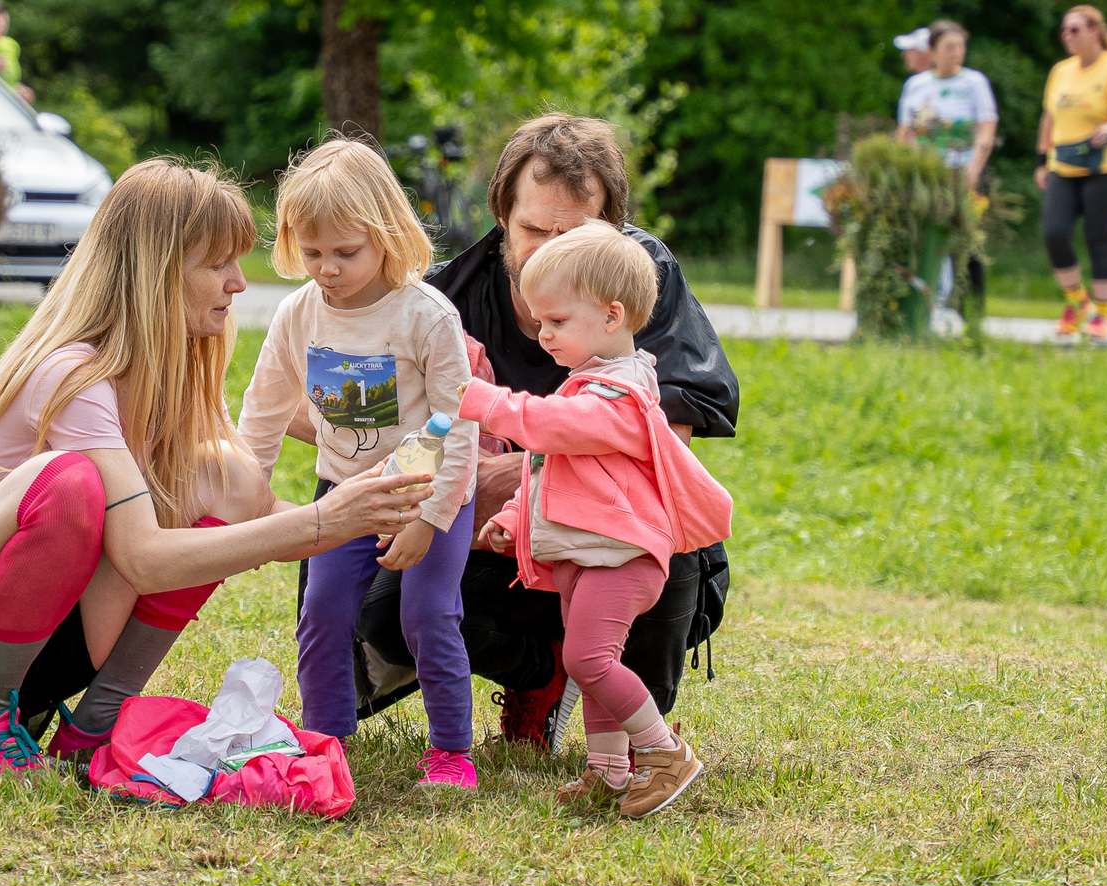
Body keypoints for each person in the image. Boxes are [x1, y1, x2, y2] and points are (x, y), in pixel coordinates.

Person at [0, 158, 434, 775]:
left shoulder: (173, 371)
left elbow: (261, 512)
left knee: (233, 479)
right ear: (158, 274)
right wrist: (323, 521)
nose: (239, 284)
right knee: (69, 484)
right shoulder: (72, 374)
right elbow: (140, 558)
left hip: (35, 653)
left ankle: (94, 726)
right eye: (217, 264)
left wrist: (372, 518)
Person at [291, 114, 739, 753]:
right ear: (501, 215)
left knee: (665, 541)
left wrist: (529, 471)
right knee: (384, 606)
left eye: (576, 231)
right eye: (533, 229)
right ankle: (542, 673)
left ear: (613, 229)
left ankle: (636, 727)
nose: (551, 245)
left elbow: (675, 431)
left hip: (614, 529)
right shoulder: (444, 297)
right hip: (481, 536)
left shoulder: (643, 276)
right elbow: (365, 435)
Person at [459, 221, 733, 818]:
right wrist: (513, 514)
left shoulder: (623, 394)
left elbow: (552, 429)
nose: (543, 334)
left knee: (588, 659)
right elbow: (549, 468)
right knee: (593, 662)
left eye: (557, 321)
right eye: (539, 321)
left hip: (625, 557)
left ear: (612, 316)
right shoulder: (587, 384)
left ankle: (665, 754)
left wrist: (485, 401)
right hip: (591, 553)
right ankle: (608, 770)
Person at [237, 140, 479, 789]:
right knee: (322, 613)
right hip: (342, 490)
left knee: (427, 613)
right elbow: (262, 411)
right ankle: (325, 740)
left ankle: (452, 750)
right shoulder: (298, 314)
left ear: (386, 236)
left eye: (345, 252)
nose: (328, 269)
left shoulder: (425, 315)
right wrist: (243, 498)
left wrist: (428, 516)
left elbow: (460, 426)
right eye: (312, 253)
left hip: (429, 490)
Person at [896, 19, 998, 320]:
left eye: (960, 46)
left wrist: (974, 168)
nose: (956, 53)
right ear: (933, 51)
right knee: (925, 236)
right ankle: (928, 304)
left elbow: (986, 128)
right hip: (927, 174)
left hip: (962, 170)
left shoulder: (974, 83)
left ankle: (971, 313)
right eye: (949, 47)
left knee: (966, 240)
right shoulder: (917, 86)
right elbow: (906, 132)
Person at [1037, 4, 1107, 342]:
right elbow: (1049, 118)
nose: (1067, 36)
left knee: (1096, 236)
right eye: (1064, 30)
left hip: (1106, 164)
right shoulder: (1061, 70)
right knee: (1054, 232)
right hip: (1064, 164)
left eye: (1075, 29)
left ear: (1095, 31)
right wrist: (1041, 161)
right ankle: (1077, 302)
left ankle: (1103, 313)